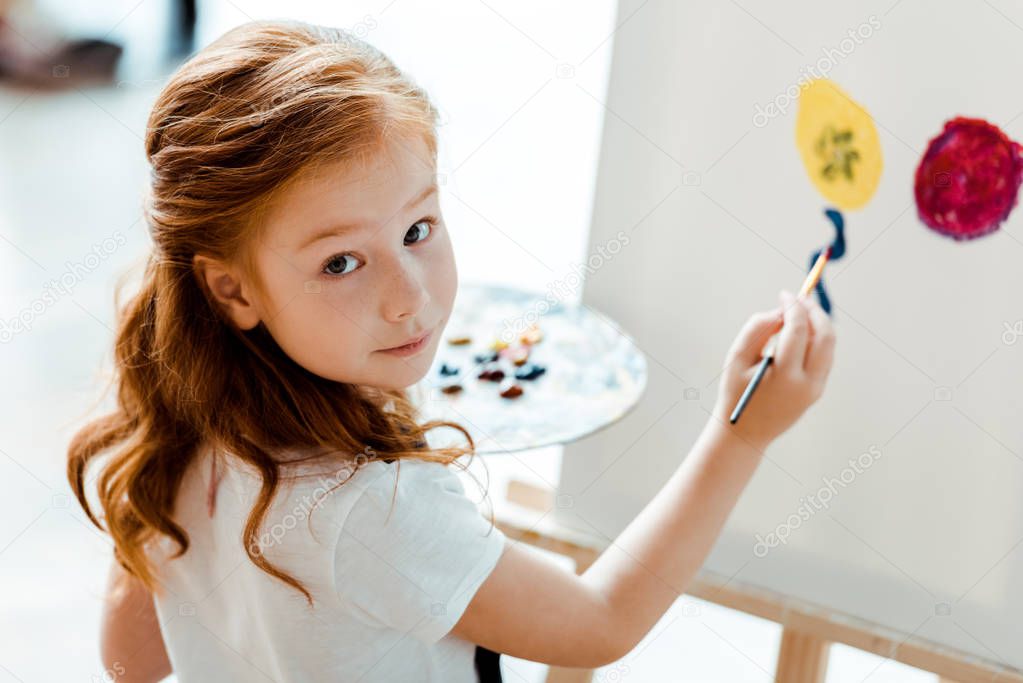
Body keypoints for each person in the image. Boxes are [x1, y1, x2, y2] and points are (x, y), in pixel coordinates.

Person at [67, 19, 835, 683]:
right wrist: (740, 433)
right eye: (340, 262)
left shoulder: (184, 428)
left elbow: (131, 658)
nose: (409, 296)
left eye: (416, 231)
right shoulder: (371, 507)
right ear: (232, 290)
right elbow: (597, 622)